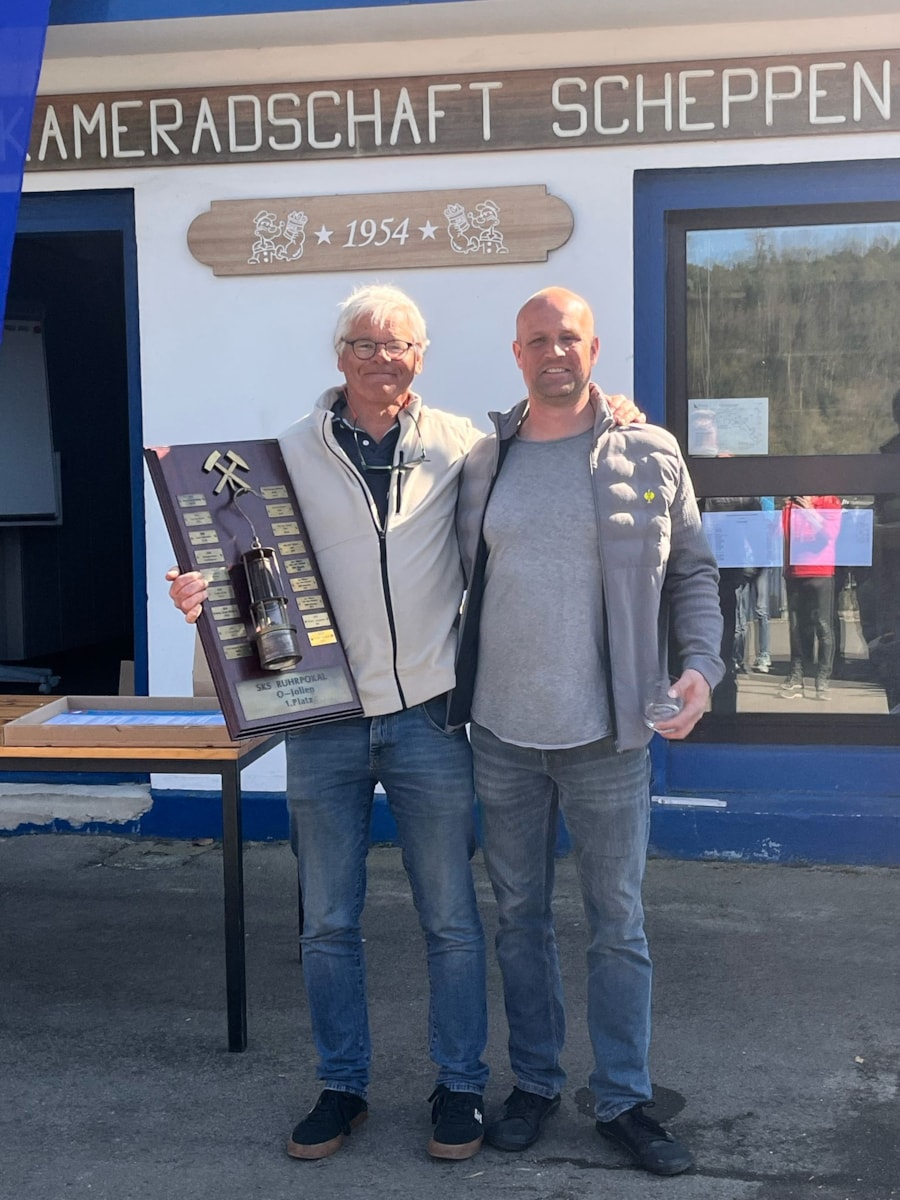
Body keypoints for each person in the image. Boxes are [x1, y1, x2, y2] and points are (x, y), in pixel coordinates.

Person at [166, 282, 642, 1163]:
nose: (382, 360)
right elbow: (237, 562)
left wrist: (617, 412)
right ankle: (342, 1086)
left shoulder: (467, 446)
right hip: (323, 720)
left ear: (422, 357)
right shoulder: (282, 456)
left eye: (399, 346)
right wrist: (200, 595)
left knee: (452, 919)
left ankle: (458, 1085)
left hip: (431, 716)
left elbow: (555, 428)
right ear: (339, 355)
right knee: (327, 922)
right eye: (365, 344)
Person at [451, 287, 724, 1176]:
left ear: (594, 348)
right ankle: (534, 1084)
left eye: (568, 337)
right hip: (501, 734)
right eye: (537, 339)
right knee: (519, 920)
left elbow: (693, 572)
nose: (554, 351)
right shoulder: (484, 461)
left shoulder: (649, 451)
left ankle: (624, 1100)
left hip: (610, 736)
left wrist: (702, 666)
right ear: (517, 353)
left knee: (618, 925)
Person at [779, 495, 841, 702]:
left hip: (821, 571)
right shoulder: (791, 503)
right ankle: (797, 675)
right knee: (797, 627)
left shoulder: (829, 501)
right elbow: (782, 535)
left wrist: (809, 511)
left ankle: (822, 679)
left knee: (823, 626)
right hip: (795, 571)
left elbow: (830, 534)